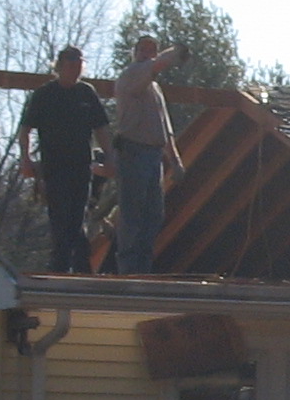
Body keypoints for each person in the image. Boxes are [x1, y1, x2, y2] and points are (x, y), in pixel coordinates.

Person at [14, 47, 113, 273]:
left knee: (77, 219)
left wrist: (110, 158)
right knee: (60, 221)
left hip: (81, 168)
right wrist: (25, 159)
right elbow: (25, 130)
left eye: (79, 64)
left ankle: (81, 270)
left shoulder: (87, 93)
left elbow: (102, 129)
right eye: (70, 64)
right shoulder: (44, 94)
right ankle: (61, 269)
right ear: (59, 66)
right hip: (53, 169)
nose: (75, 68)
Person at [111, 34, 192, 273]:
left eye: (151, 50)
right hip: (133, 151)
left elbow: (164, 127)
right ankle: (128, 270)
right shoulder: (132, 75)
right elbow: (156, 65)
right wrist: (177, 51)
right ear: (134, 53)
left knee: (153, 215)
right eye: (142, 49)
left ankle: (142, 268)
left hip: (153, 155)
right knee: (132, 214)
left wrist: (174, 160)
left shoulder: (154, 88)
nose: (147, 54)